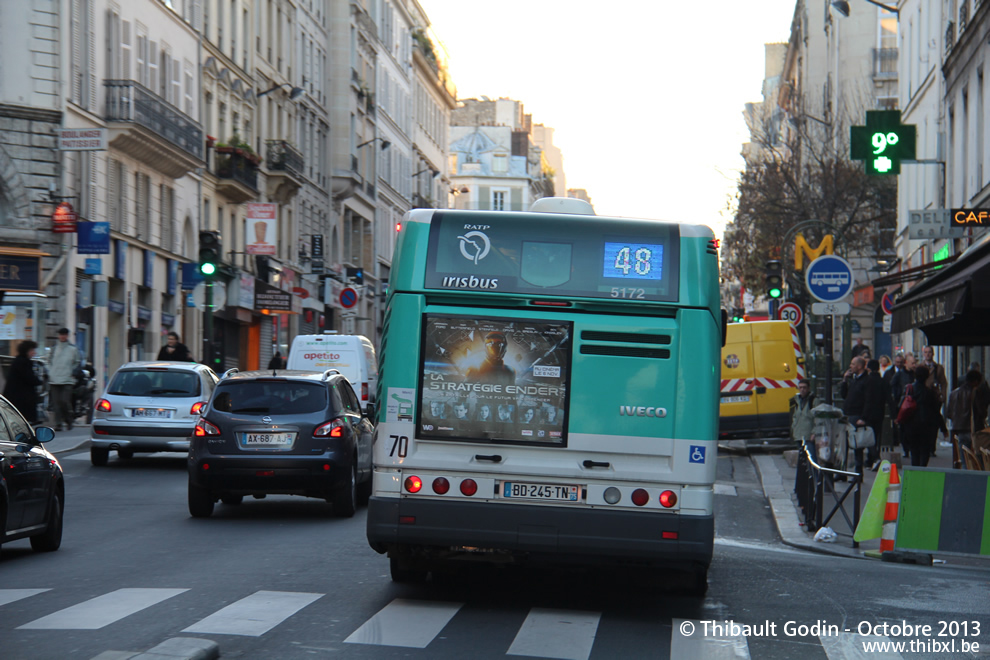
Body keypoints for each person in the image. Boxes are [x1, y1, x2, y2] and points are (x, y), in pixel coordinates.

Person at [839, 356, 882, 473]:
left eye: (853, 364)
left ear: (859, 366)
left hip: (857, 415)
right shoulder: (854, 379)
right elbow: (844, 395)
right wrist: (845, 380)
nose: (850, 366)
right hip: (849, 414)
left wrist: (863, 417)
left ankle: (860, 471)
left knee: (858, 445)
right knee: (847, 444)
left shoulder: (867, 381)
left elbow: (869, 401)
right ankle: (844, 471)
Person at [901, 365, 941, 467]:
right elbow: (936, 411)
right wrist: (943, 428)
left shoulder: (909, 389)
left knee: (914, 451)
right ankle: (922, 469)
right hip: (926, 426)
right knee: (925, 450)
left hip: (911, 425)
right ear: (927, 377)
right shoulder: (930, 392)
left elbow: (902, 406)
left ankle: (915, 470)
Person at [947, 369, 990, 451]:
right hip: (973, 429)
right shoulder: (975, 393)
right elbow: (981, 412)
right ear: (976, 381)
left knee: (964, 458)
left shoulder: (954, 393)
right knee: (977, 458)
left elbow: (949, 413)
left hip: (959, 429)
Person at [49, 328, 81, 431]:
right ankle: (58, 424)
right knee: (56, 403)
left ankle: (68, 419)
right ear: (58, 335)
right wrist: (50, 371)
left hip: (67, 379)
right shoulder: (54, 348)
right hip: (54, 379)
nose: (62, 336)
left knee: (64, 401)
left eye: (64, 334)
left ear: (67, 336)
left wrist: (72, 371)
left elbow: (77, 362)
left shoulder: (73, 349)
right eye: (61, 334)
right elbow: (47, 361)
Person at [3, 340, 42, 423]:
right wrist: (38, 381)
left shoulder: (18, 360)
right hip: (21, 395)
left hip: (15, 393)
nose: (34, 353)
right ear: (26, 351)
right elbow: (29, 377)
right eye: (32, 350)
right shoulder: (24, 362)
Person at [920, 345, 949, 455]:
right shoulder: (920, 367)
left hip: (934, 398)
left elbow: (944, 383)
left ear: (933, 354)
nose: (927, 354)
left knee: (933, 423)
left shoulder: (938, 368)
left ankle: (932, 448)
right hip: (923, 398)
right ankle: (925, 445)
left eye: (929, 352)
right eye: (926, 352)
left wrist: (943, 396)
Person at [890, 352, 916, 459]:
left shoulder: (915, 374)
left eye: (915, 363)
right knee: (904, 429)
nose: (914, 365)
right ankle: (906, 449)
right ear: (906, 363)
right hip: (903, 405)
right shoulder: (899, 374)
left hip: (914, 405)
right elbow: (892, 385)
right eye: (912, 363)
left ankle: (911, 447)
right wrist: (897, 397)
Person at [789, 379, 816, 445]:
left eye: (804, 387)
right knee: (801, 454)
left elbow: (817, 418)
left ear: (808, 388)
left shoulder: (813, 400)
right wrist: (793, 429)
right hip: (798, 434)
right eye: (800, 387)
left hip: (809, 434)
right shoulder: (795, 400)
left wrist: (814, 432)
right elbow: (794, 416)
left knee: (809, 454)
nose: (802, 390)